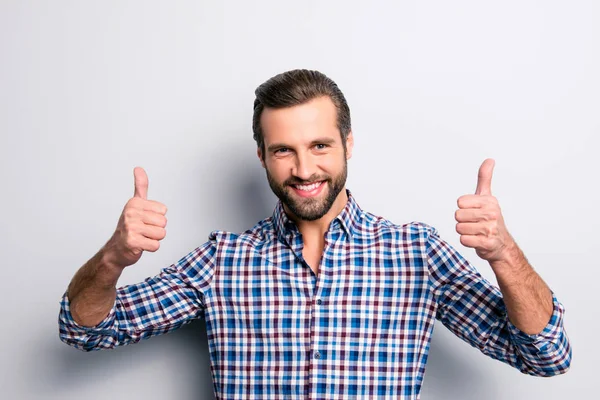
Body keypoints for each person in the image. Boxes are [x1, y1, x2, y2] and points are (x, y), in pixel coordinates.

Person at [58, 69, 571, 399]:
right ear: (262, 156)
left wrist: (504, 254)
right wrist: (113, 259)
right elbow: (83, 330)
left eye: (320, 145)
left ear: (348, 144)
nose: (304, 169)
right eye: (284, 150)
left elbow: (546, 356)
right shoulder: (222, 260)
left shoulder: (417, 253)